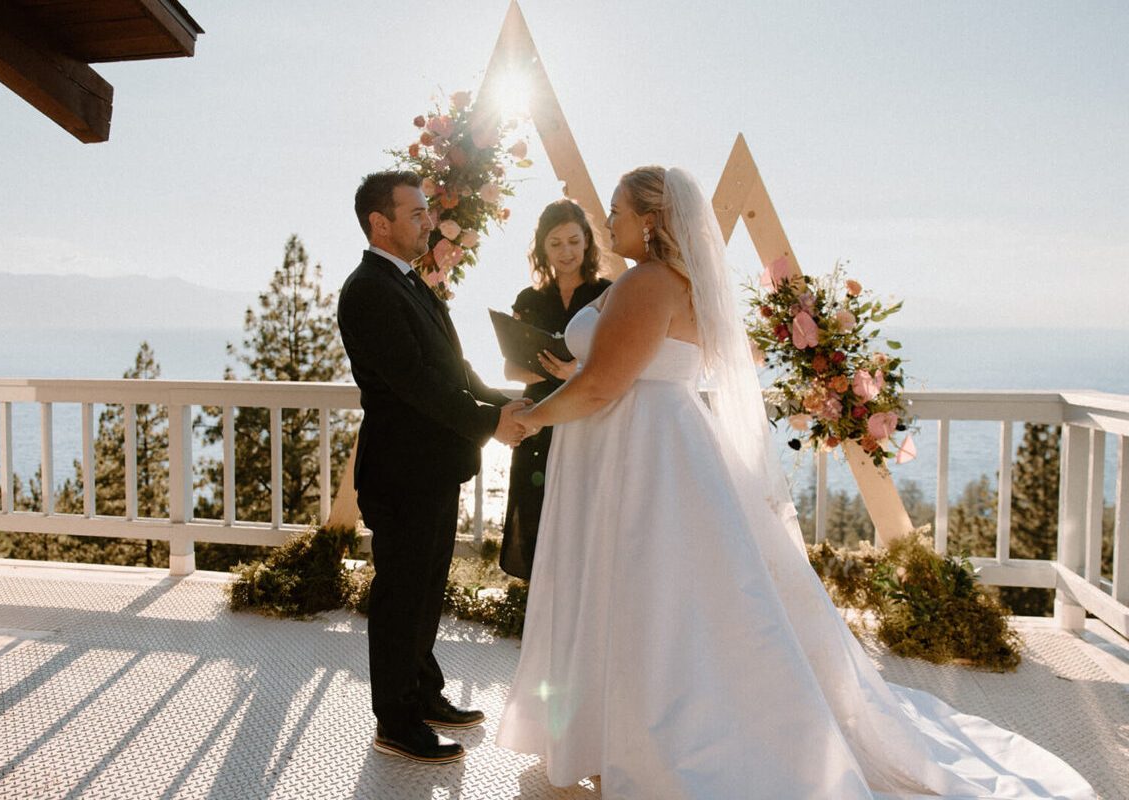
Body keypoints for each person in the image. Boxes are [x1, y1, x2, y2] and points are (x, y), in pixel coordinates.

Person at [495, 166, 1094, 799]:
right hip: (651, 443)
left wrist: (528, 419)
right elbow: (635, 363)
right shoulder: (676, 282)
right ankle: (617, 733)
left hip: (640, 452)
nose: (605, 222)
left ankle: (647, 741)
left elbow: (601, 385)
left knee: (642, 594)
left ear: (649, 220)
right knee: (659, 596)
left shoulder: (647, 282)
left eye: (615, 211)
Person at [337, 170, 528, 765]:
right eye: (416, 213)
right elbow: (414, 384)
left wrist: (505, 401)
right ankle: (395, 721)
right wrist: (489, 426)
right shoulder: (367, 290)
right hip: (400, 473)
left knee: (425, 592)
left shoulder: (412, 283)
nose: (427, 221)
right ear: (380, 223)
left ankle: (424, 693)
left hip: (434, 469)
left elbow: (455, 367)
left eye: (426, 212)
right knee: (401, 598)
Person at [500, 199, 612, 580]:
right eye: (555, 243)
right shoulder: (527, 300)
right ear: (542, 248)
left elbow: (618, 365)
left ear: (587, 244)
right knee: (536, 518)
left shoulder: (609, 294)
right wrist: (542, 370)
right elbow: (510, 368)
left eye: (573, 241)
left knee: (587, 521)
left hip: (589, 418)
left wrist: (574, 372)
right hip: (538, 425)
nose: (566, 252)